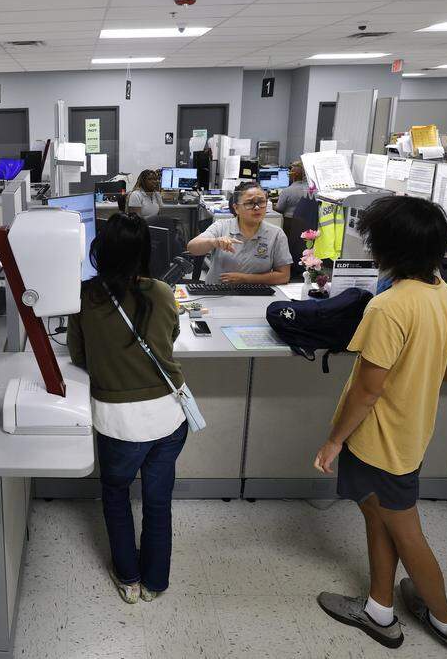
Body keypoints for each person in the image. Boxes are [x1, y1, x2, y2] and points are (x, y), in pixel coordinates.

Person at [312, 195, 447, 655]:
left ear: (386, 250)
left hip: (378, 440)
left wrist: (332, 441)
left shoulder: (388, 307)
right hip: (412, 433)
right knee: (376, 516)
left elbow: (367, 390)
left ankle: (445, 623)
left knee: (406, 532)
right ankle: (379, 609)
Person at [67, 212, 188, 605]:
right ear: (144, 252)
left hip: (119, 422)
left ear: (100, 251)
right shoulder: (163, 292)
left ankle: (128, 578)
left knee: (116, 495)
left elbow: (79, 355)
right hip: (170, 418)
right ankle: (155, 581)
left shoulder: (85, 296)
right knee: (158, 502)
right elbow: (169, 340)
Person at [186, 183, 292, 285]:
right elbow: (192, 247)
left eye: (261, 202)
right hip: (217, 291)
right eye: (250, 203)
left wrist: (246, 279)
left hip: (256, 294)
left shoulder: (276, 234)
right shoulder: (222, 226)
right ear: (236, 208)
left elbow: (284, 276)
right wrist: (214, 242)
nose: (256, 207)